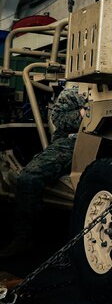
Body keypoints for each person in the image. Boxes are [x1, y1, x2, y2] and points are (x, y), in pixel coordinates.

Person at [0, 83, 87, 258]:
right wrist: (85, 114)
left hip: (108, 140)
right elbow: (59, 118)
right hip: (71, 142)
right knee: (29, 177)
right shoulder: (79, 88)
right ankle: (24, 237)